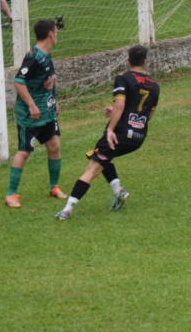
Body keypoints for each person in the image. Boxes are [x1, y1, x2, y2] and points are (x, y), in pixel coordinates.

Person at [56, 45, 159, 219]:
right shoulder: (155, 86)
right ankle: (118, 190)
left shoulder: (124, 78)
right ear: (145, 61)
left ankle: (66, 210)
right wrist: (120, 115)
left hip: (119, 134)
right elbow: (147, 115)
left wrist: (111, 129)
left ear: (128, 59)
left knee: (92, 168)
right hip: (138, 137)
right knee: (100, 155)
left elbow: (120, 104)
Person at [7, 19, 65, 208]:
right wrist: (32, 105)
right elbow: (18, 81)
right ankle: (11, 194)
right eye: (56, 32)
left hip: (46, 111)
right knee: (24, 152)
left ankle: (54, 187)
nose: (57, 35)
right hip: (30, 114)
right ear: (50, 34)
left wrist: (53, 102)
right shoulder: (33, 56)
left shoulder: (46, 55)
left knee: (55, 145)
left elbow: (47, 82)